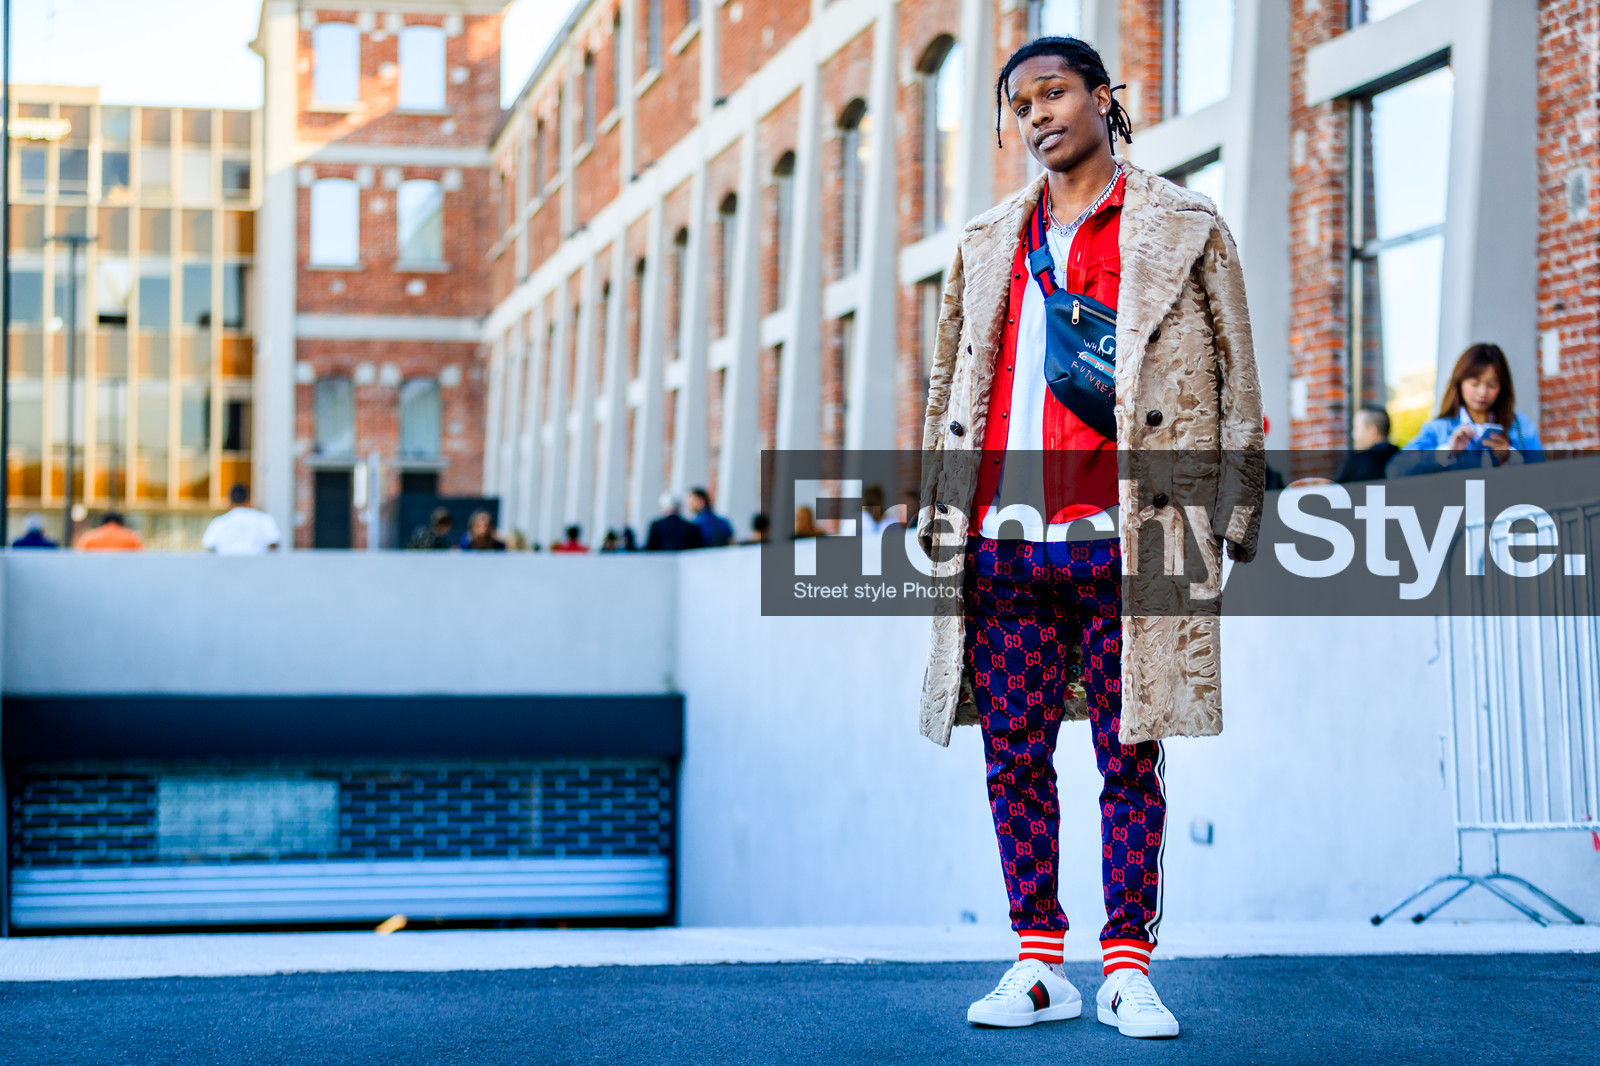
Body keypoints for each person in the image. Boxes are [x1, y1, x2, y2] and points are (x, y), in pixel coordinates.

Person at [917, 36, 1263, 1038]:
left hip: (1132, 536)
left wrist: (1228, 523)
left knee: (1130, 751)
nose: (1035, 115)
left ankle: (1125, 965)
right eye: (1018, 103)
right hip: (1005, 544)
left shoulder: (1183, 225)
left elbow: (1239, 377)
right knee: (1014, 753)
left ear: (1104, 98)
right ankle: (1036, 961)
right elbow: (951, 383)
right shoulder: (988, 240)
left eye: (1054, 92)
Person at [1388, 343, 1545, 477]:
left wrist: (1510, 456)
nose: (1482, 393)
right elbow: (1396, 469)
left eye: (1492, 385)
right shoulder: (1439, 429)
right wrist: (1447, 451)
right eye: (1475, 384)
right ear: (1460, 383)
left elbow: (1543, 476)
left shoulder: (1520, 426)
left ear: (1502, 387)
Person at [201, 484, 282, 555]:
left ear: (230, 501)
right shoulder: (264, 519)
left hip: (226, 569)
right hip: (258, 569)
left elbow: (209, 547)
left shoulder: (219, 522)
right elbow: (274, 545)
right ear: (249, 500)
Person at [1335, 406, 1400, 483]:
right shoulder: (1402, 458)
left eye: (1356, 429)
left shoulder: (1357, 462)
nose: (1354, 435)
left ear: (1372, 431)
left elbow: (1335, 490)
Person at [76, 511, 144, 552]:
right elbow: (139, 557)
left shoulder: (90, 538)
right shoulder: (131, 538)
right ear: (121, 523)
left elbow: (81, 556)